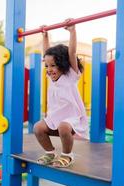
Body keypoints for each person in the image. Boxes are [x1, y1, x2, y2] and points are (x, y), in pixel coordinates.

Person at [33, 19, 89, 168]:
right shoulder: (52, 78)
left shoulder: (70, 75)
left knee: (64, 127)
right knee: (37, 128)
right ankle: (50, 152)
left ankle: (67, 155)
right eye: (47, 66)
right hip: (55, 116)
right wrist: (45, 36)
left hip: (71, 118)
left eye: (53, 66)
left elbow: (72, 51)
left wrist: (72, 31)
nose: (49, 69)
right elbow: (47, 54)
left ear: (63, 64)